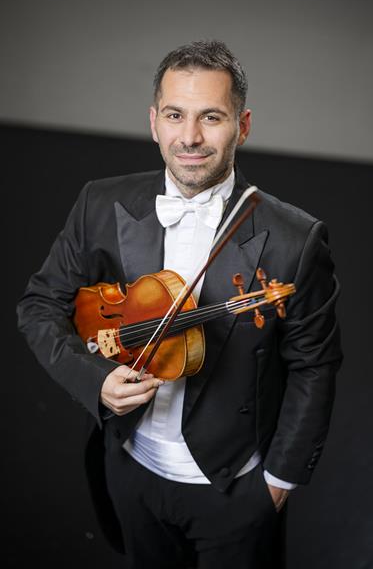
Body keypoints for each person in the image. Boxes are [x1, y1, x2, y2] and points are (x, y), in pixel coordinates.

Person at [17, 40, 343, 569]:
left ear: (242, 126)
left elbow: (315, 365)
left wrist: (278, 482)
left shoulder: (295, 240)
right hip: (130, 467)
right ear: (154, 122)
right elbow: (39, 305)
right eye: (175, 115)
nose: (189, 137)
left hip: (233, 486)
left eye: (210, 117)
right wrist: (95, 381)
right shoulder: (100, 202)